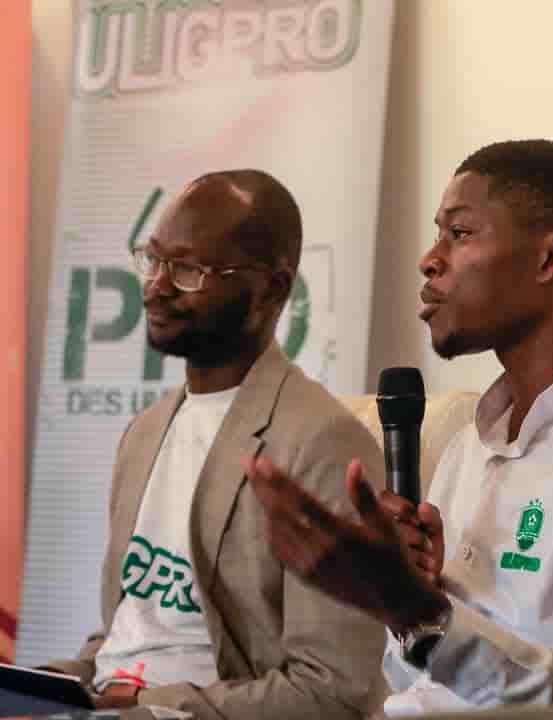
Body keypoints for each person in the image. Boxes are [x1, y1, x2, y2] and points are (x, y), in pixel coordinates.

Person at [247, 139, 553, 719]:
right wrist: (413, 598)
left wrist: (421, 614)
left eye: (459, 234)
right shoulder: (468, 444)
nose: (429, 259)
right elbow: (412, 684)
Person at [46, 170, 388, 718]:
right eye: (153, 260)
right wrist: (55, 683)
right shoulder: (144, 432)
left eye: (188, 270)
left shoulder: (324, 443)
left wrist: (147, 707)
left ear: (270, 290)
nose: (156, 286)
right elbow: (127, 637)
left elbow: (329, 690)